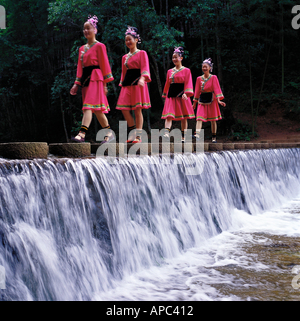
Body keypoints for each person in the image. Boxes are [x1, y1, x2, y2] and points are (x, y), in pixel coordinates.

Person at [70, 15, 114, 143]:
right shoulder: (81, 49)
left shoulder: (100, 46)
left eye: (88, 28)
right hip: (85, 79)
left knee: (88, 107)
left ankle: (81, 134)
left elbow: (105, 64)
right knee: (98, 110)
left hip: (96, 78)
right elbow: (80, 67)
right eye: (84, 29)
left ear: (95, 30)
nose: (86, 31)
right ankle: (109, 134)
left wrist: (106, 84)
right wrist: (76, 84)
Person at [116, 26, 151, 143]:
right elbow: (124, 72)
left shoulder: (142, 53)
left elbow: (145, 67)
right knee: (124, 109)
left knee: (137, 110)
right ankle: (132, 132)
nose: (128, 42)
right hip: (127, 84)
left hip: (138, 82)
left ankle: (138, 136)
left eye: (130, 39)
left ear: (136, 40)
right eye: (126, 40)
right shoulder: (124, 57)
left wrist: (142, 79)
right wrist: (121, 84)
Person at [161, 47, 195, 142]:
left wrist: (187, 93)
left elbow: (188, 82)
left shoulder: (186, 70)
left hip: (182, 94)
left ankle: (183, 136)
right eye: (173, 57)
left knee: (183, 117)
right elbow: (167, 83)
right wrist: (165, 95)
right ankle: (166, 133)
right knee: (169, 114)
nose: (174, 59)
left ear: (181, 58)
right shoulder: (169, 71)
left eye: (176, 57)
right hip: (171, 95)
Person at [193, 58, 226, 143]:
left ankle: (214, 137)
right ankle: (197, 133)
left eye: (206, 67)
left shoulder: (213, 77)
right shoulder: (199, 79)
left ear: (210, 68)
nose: (204, 68)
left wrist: (219, 100)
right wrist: (194, 103)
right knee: (199, 117)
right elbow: (197, 91)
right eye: (203, 67)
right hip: (202, 99)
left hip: (212, 99)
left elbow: (217, 89)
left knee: (213, 120)